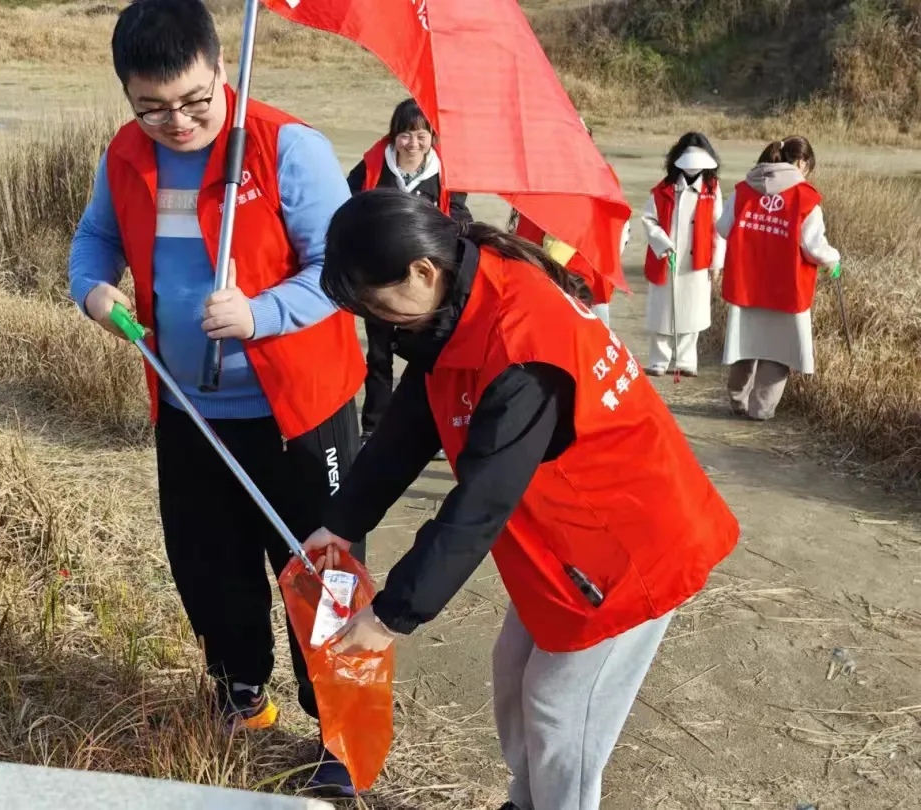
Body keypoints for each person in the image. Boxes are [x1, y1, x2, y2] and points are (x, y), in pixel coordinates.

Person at [302, 189, 741, 810]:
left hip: (628, 545)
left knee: (562, 708)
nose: (380, 325)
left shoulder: (522, 346)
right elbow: (412, 421)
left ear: (422, 272)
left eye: (379, 308)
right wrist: (343, 523)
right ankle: (527, 800)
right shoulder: (460, 298)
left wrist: (392, 614)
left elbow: (480, 504)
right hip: (568, 541)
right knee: (514, 674)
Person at [67, 0, 363, 795]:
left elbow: (339, 270)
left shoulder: (286, 147)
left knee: (322, 572)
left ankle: (345, 731)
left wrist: (260, 314)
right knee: (208, 564)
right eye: (151, 107)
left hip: (301, 411)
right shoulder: (128, 154)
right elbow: (95, 237)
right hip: (187, 406)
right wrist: (91, 289)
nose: (175, 122)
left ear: (221, 68)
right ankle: (242, 695)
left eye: (195, 102)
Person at [347, 98, 472, 454]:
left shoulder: (446, 172)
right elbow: (348, 201)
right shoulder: (373, 167)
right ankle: (373, 427)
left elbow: (460, 211)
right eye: (405, 135)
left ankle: (431, 428)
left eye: (421, 135)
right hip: (382, 278)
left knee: (431, 357)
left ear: (432, 136)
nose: (413, 143)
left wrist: (455, 224)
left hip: (429, 283)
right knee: (379, 357)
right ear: (393, 136)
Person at [718, 136, 841, 420]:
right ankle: (761, 411)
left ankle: (738, 401)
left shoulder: (743, 190)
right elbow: (812, 248)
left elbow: (724, 228)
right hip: (786, 289)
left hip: (746, 285)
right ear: (801, 163)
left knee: (744, 345)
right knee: (777, 352)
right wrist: (833, 259)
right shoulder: (806, 199)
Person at [508, 120, 630, 327]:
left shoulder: (600, 175)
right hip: (546, 269)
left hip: (581, 274)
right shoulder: (542, 175)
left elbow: (616, 224)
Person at [640, 132, 726, 377]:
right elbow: (648, 219)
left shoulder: (712, 189)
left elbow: (718, 227)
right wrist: (664, 244)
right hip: (668, 257)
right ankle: (659, 359)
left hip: (697, 261)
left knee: (692, 312)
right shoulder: (665, 188)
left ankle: (687, 360)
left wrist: (716, 263)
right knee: (662, 311)